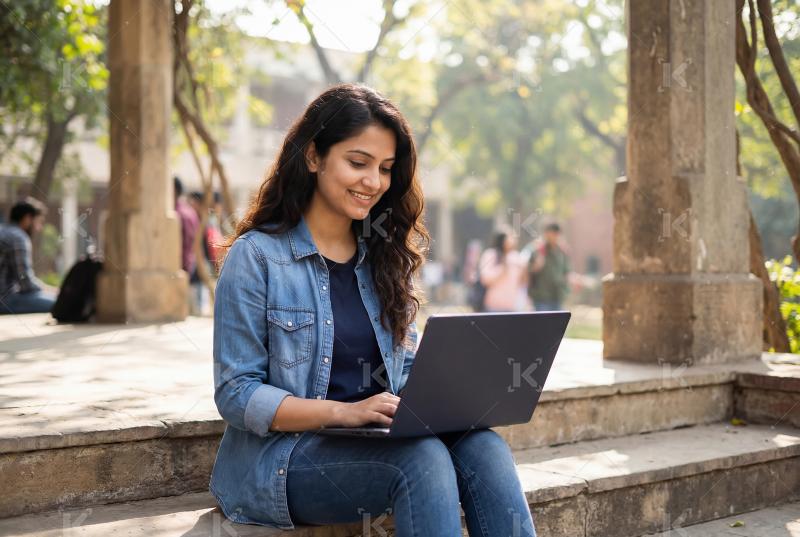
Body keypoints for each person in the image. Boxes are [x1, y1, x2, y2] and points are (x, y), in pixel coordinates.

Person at [210, 84, 536, 536]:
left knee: (483, 447)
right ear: (313, 156)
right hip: (284, 460)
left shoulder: (383, 258)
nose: (374, 182)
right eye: (357, 163)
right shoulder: (258, 257)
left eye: (385, 169)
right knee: (421, 460)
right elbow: (236, 392)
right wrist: (341, 412)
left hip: (375, 441)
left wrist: (456, 395)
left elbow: (402, 372)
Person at [0, 199, 58, 314]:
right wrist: (53, 291)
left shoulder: (4, 231)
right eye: (39, 222)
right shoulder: (18, 237)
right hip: (5, 300)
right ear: (27, 219)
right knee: (61, 304)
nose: (39, 228)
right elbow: (26, 283)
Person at [479, 230, 532, 312]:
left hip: (512, 307)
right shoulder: (491, 255)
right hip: (493, 306)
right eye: (510, 237)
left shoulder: (516, 257)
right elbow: (485, 279)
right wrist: (503, 268)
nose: (513, 240)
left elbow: (523, 283)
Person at [526, 222, 571, 311]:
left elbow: (567, 272)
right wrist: (537, 266)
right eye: (548, 234)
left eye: (554, 234)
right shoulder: (537, 250)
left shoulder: (562, 251)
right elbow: (528, 272)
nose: (550, 237)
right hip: (541, 297)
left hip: (557, 296)